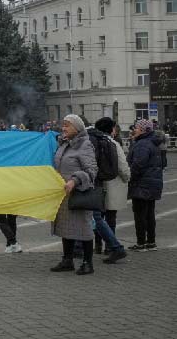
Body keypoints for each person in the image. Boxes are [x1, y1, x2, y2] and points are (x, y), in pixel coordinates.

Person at [50, 114, 97, 275]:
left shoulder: (85, 145)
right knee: (66, 228)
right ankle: (67, 260)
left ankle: (87, 263)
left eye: (67, 125)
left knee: (84, 229)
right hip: (64, 194)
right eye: (63, 125)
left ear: (77, 128)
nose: (63, 128)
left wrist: (75, 180)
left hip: (79, 194)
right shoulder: (64, 144)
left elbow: (91, 171)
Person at [92, 117, 130, 264]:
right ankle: (110, 247)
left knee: (97, 217)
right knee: (110, 217)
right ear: (111, 129)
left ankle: (97, 245)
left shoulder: (93, 142)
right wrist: (127, 177)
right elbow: (122, 165)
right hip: (112, 184)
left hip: (97, 185)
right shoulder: (112, 143)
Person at [127, 119, 164, 252]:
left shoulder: (142, 144)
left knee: (140, 214)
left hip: (141, 184)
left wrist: (129, 177)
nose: (134, 130)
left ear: (143, 130)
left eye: (136, 128)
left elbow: (138, 164)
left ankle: (141, 243)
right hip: (152, 183)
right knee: (149, 214)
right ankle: (151, 242)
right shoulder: (153, 142)